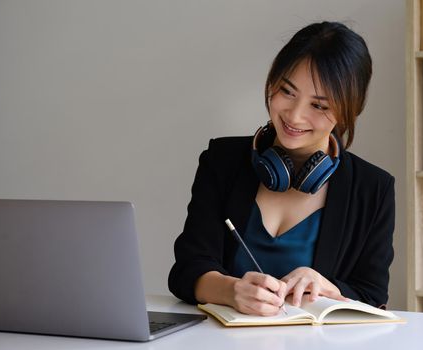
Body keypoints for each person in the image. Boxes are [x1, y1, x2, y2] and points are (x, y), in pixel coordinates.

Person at [168, 21, 394, 316]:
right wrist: (231, 291)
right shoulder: (222, 161)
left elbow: (372, 294)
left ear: (349, 110)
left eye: (319, 106)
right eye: (287, 92)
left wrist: (328, 288)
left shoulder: (373, 188)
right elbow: (186, 270)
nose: (295, 116)